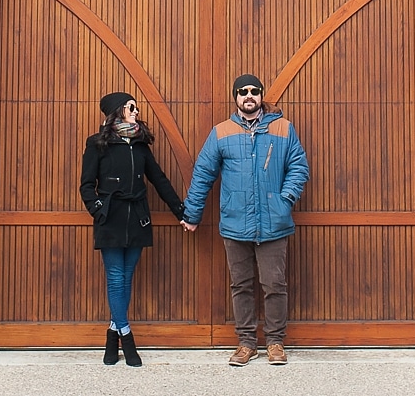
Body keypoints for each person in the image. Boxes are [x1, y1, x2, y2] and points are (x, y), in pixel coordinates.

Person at [181, 74, 309, 367]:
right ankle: (246, 343)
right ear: (236, 97)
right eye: (243, 92)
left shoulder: (283, 128)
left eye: (254, 91)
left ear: (261, 96)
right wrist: (192, 213)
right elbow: (203, 175)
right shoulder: (221, 132)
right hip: (235, 223)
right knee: (241, 285)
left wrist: (284, 198)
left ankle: (275, 341)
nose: (248, 96)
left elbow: (299, 167)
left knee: (274, 284)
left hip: (273, 223)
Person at [79, 91, 186, 367]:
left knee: (127, 277)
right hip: (111, 220)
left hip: (138, 217)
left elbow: (159, 180)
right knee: (115, 278)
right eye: (131, 108)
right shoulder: (97, 144)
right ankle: (126, 336)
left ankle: (112, 334)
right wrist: (99, 209)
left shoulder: (139, 145)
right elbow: (86, 185)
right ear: (118, 111)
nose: (136, 112)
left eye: (135, 108)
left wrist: (181, 212)